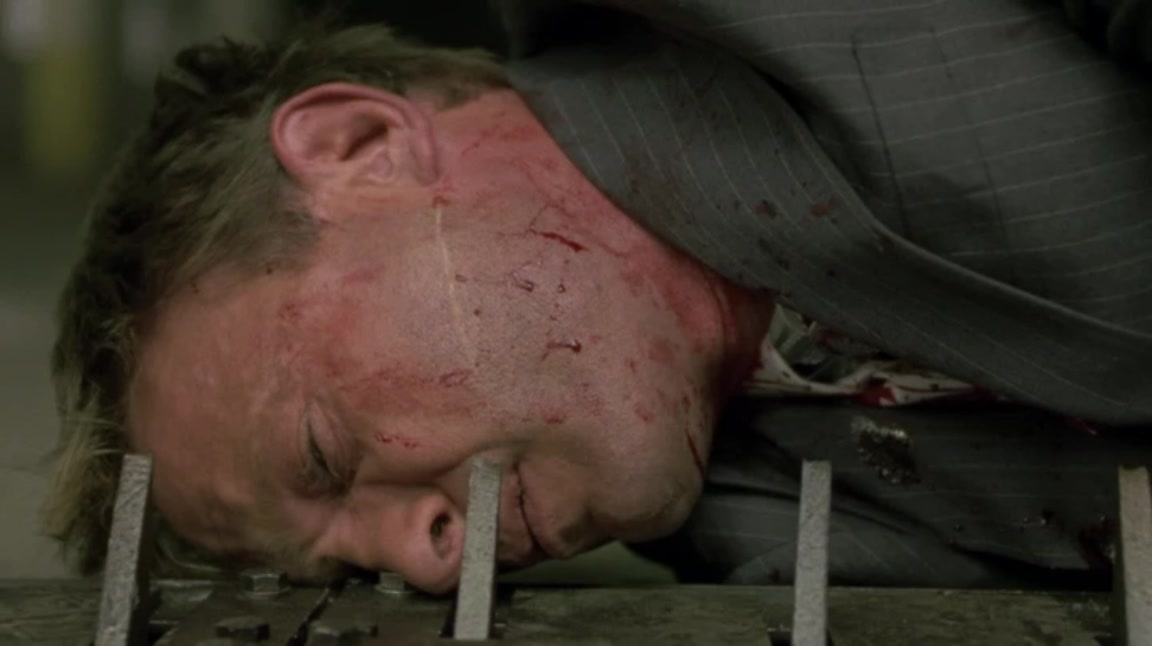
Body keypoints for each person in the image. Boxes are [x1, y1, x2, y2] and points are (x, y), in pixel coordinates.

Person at [44, 1, 1152, 594]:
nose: (425, 559)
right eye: (345, 563)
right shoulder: (752, 538)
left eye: (325, 455)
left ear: (362, 147)